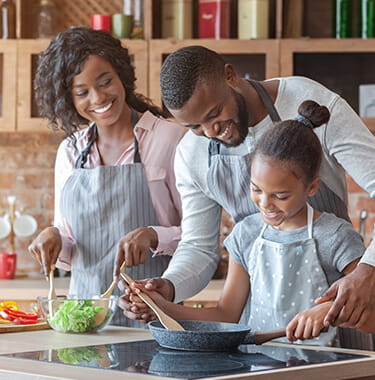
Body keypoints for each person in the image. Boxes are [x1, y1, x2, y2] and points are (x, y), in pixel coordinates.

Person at [117, 45, 375, 334]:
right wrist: (168, 287)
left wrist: (368, 270)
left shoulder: (308, 101)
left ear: (230, 75)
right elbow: (198, 247)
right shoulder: (192, 153)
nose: (211, 131)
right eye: (195, 126)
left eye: (214, 113)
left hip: (339, 311)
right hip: (263, 327)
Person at [28, 26, 186, 327]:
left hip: (154, 314)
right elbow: (72, 242)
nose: (98, 98)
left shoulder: (170, 139)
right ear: (68, 99)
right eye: (82, 92)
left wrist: (153, 235)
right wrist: (54, 236)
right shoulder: (71, 152)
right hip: (84, 323)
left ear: (122, 75)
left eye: (105, 82)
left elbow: (200, 239)